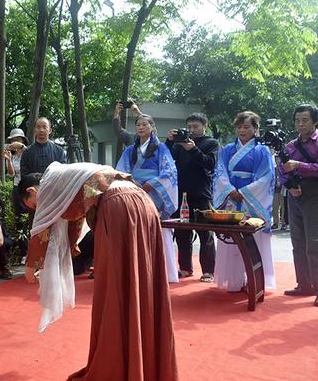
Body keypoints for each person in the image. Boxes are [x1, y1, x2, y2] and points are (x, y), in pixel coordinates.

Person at [18, 163, 179, 381]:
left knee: (114, 293)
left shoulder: (50, 185)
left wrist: (31, 269)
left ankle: (120, 378)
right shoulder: (67, 178)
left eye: (33, 205)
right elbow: (71, 225)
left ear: (31, 191)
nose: (38, 209)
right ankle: (148, 376)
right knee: (143, 286)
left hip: (118, 208)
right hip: (143, 203)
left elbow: (42, 229)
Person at [213, 111, 275, 292]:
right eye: (239, 127)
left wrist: (245, 192)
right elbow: (220, 172)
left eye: (247, 127)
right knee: (231, 241)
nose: (242, 130)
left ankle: (252, 281)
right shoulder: (227, 150)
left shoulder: (262, 150)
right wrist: (230, 190)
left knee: (252, 241)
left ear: (256, 129)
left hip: (251, 200)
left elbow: (267, 177)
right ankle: (234, 279)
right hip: (231, 196)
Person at [115, 114, 179, 283]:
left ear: (152, 127)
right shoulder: (130, 150)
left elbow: (170, 172)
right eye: (138, 125)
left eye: (144, 124)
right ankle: (138, 271)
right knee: (136, 228)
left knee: (158, 228)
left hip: (155, 193)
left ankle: (163, 271)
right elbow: (121, 170)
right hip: (135, 191)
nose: (141, 127)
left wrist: (150, 185)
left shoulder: (161, 148)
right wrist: (132, 183)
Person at [166, 112, 219, 282]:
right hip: (181, 193)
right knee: (182, 233)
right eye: (189, 127)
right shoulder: (179, 144)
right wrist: (169, 141)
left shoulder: (211, 143)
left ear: (205, 126)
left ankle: (209, 271)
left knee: (205, 233)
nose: (192, 130)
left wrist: (193, 149)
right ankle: (185, 268)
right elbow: (166, 159)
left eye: (196, 126)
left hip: (201, 193)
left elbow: (210, 164)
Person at [279, 105, 318, 305]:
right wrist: (289, 185)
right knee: (298, 242)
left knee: (315, 242)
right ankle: (304, 284)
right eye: (297, 120)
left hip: (314, 194)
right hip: (294, 195)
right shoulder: (290, 145)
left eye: (305, 120)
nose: (300, 124)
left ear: (315, 121)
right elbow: (282, 169)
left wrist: (299, 165)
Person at [3, 128, 29, 257]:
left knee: (32, 218)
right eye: (13, 140)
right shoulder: (12, 155)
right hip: (17, 188)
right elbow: (11, 174)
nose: (15, 142)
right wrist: (8, 160)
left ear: (23, 140)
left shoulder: (28, 152)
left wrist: (22, 147)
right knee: (20, 219)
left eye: (18, 139)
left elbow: (29, 152)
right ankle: (25, 252)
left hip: (30, 188)